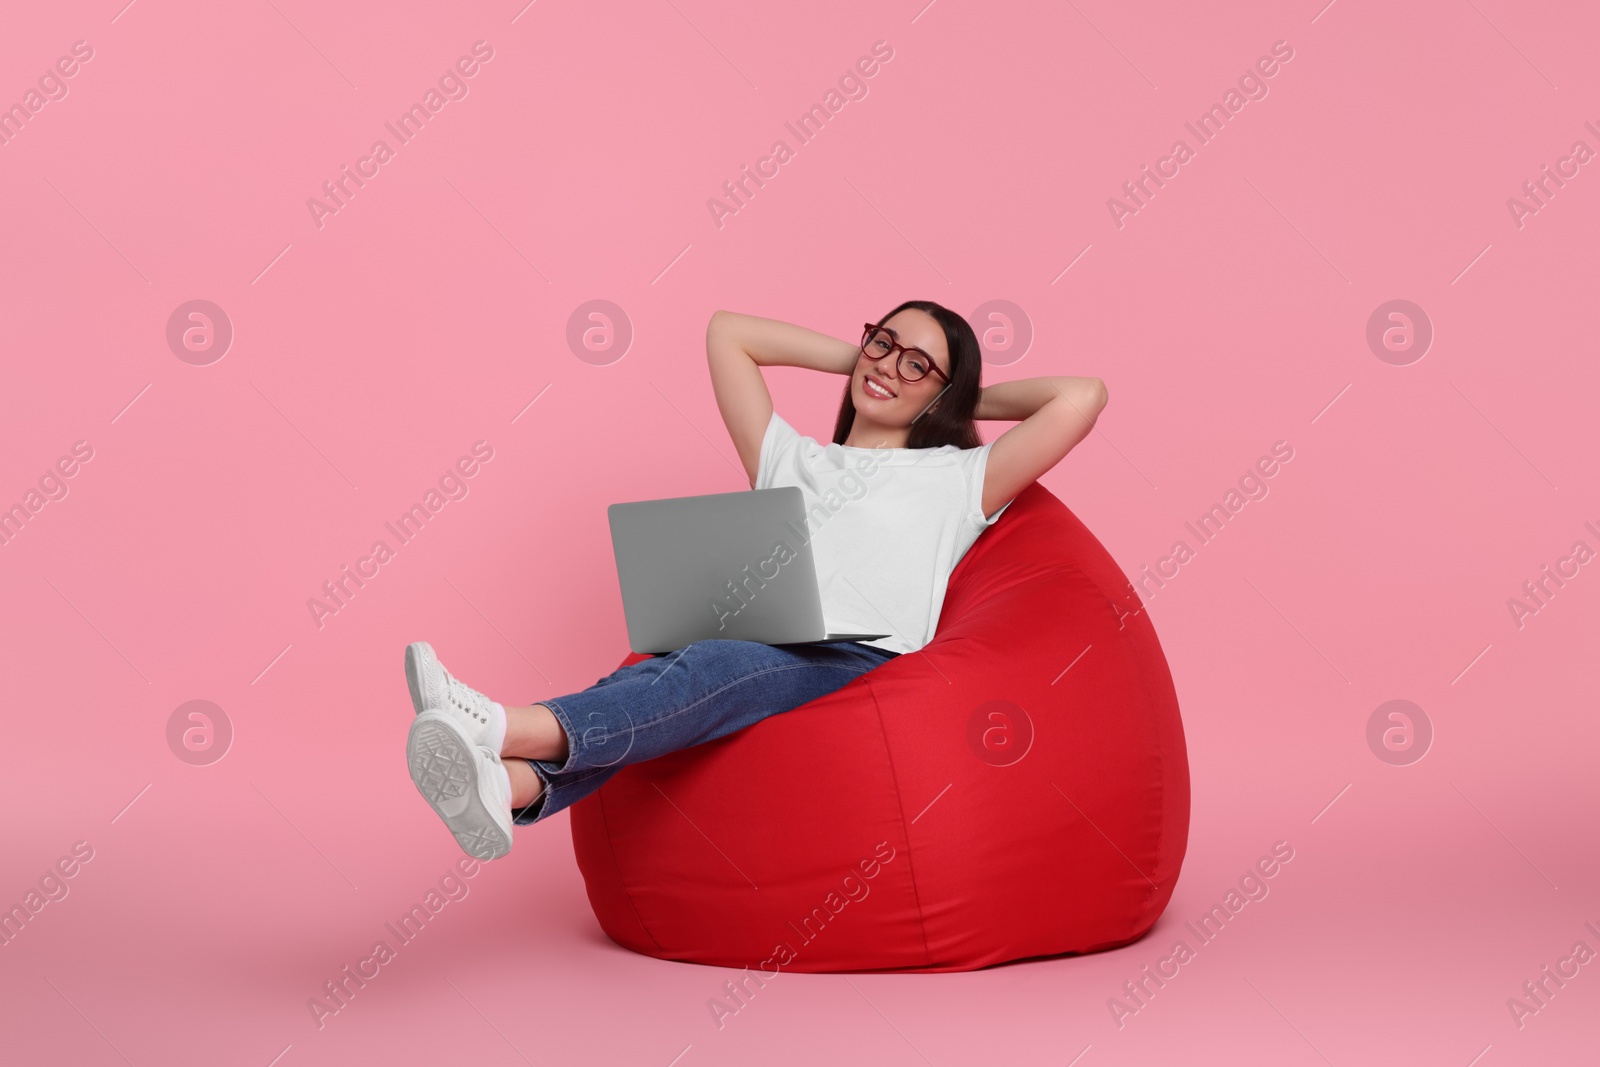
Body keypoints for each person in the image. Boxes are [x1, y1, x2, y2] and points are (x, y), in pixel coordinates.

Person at [404, 301, 1108, 860]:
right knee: (666, 671)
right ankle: (509, 785)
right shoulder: (789, 456)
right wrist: (866, 363)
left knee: (706, 667)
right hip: (766, 632)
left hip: (855, 657)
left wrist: (957, 402)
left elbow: (1082, 396)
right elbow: (727, 333)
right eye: (883, 342)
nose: (889, 363)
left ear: (943, 393)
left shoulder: (958, 477)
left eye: (917, 361)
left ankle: (496, 724)